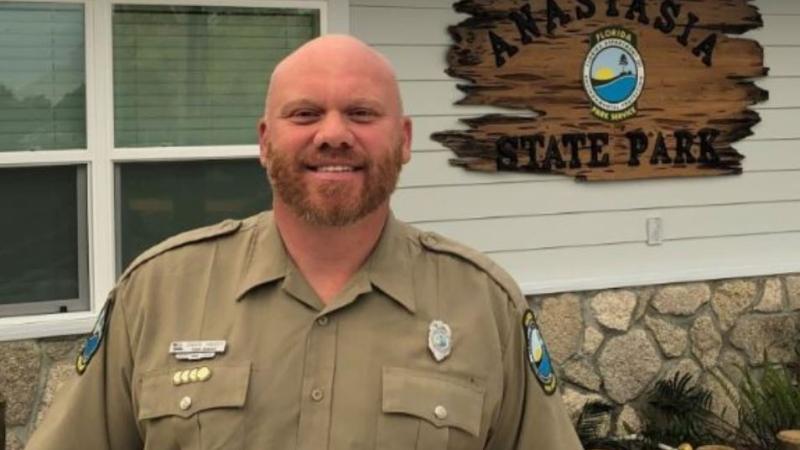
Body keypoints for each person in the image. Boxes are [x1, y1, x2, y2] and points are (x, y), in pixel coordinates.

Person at [26, 35, 582, 450]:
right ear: (265, 141)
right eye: (305, 114)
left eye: (362, 113)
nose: (334, 133)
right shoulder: (158, 292)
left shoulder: (486, 306)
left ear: (405, 140)